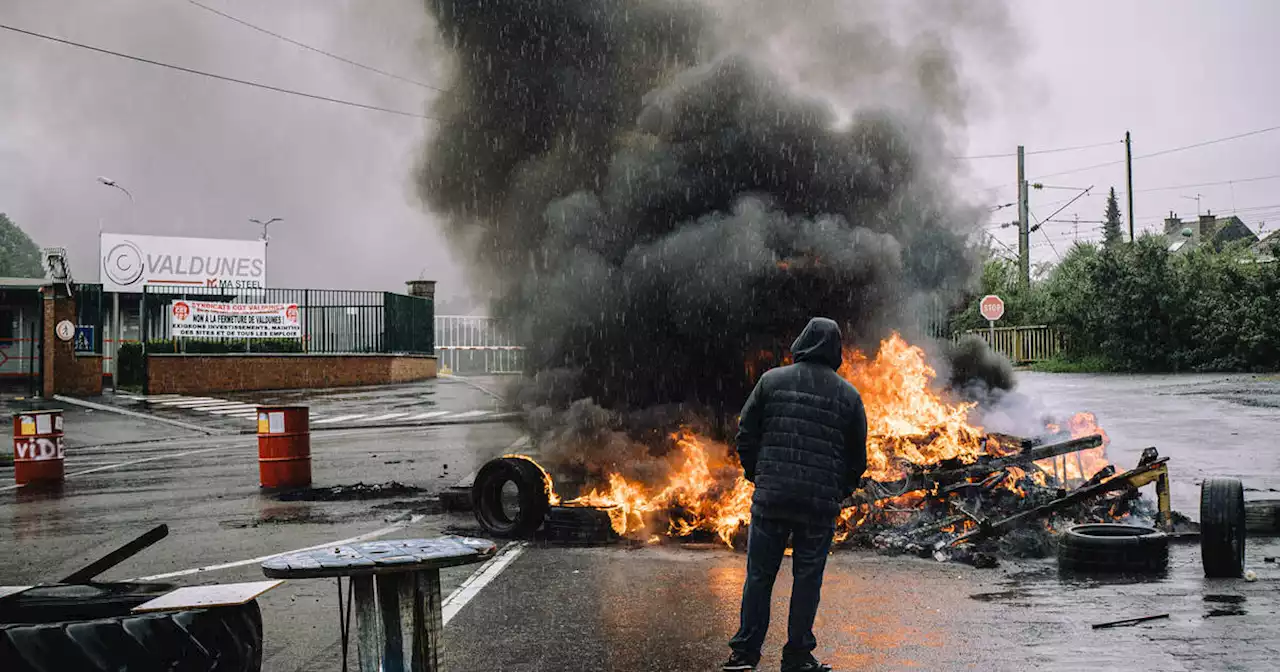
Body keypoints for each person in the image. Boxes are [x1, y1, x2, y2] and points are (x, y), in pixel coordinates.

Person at [722, 317, 868, 672]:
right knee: (807, 578)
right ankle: (798, 656)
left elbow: (746, 432)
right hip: (818, 506)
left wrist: (758, 474)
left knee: (759, 575)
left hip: (772, 500)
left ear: (802, 341)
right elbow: (857, 459)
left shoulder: (771, 381)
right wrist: (838, 489)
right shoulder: (849, 396)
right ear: (836, 350)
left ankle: (745, 655)